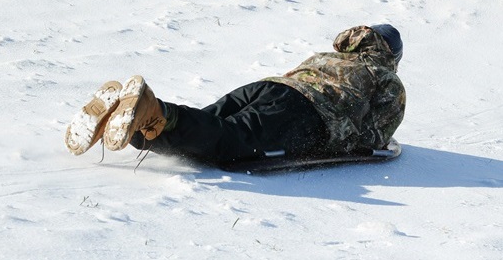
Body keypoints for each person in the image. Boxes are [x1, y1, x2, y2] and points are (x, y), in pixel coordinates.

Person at [64, 24, 406, 168]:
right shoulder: (386, 78)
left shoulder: (327, 57)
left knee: (207, 131)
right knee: (231, 145)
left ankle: (136, 124)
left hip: (269, 87)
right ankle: (154, 111)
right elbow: (375, 135)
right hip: (306, 110)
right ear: (391, 55)